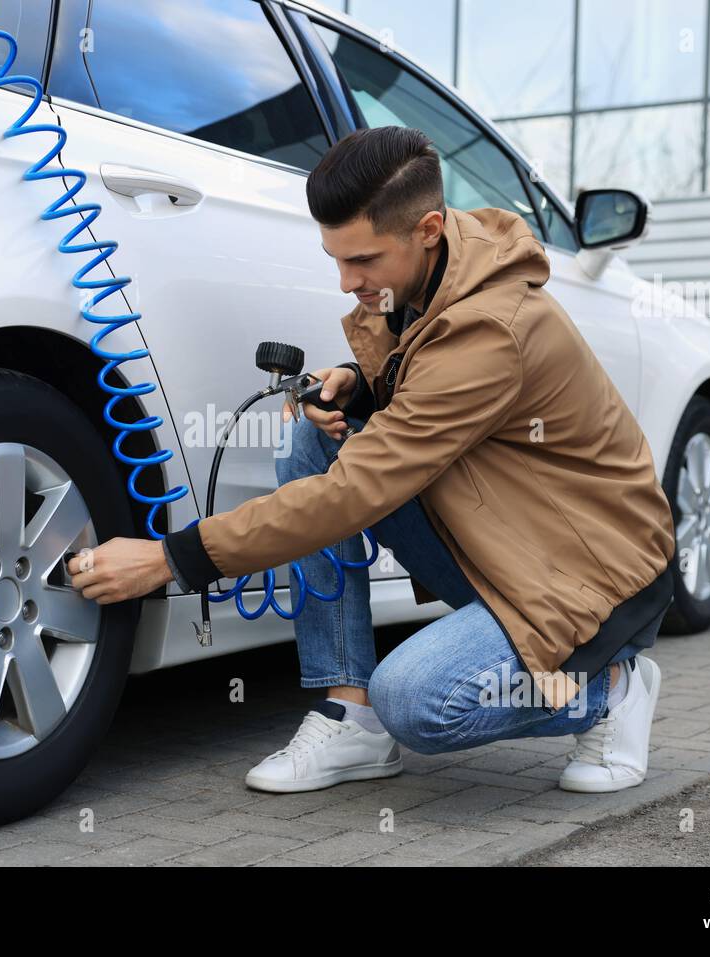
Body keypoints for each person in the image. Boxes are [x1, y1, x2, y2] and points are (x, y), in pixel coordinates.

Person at [65, 126, 676, 795]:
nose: (346, 281)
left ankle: (611, 688)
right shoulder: (423, 285)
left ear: (429, 229)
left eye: (362, 260)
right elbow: (430, 391)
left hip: (591, 570)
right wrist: (364, 385)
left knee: (417, 702)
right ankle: (347, 713)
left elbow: (358, 489)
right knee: (311, 435)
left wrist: (168, 558)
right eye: (335, 258)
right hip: (504, 537)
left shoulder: (493, 327)